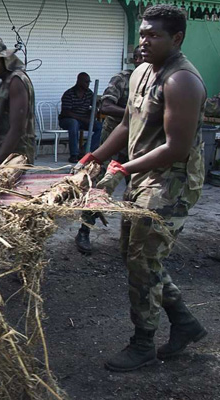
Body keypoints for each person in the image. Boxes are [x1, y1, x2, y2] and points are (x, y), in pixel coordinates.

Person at [75, 4, 207, 372]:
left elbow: (175, 148)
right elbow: (128, 125)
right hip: (142, 176)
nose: (144, 41)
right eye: (142, 33)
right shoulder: (142, 74)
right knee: (135, 256)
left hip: (172, 181)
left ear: (176, 38)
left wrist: (121, 169)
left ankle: (143, 343)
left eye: (154, 35)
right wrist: (97, 156)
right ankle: (185, 323)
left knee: (142, 258)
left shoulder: (181, 81)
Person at [74, 48, 144, 254]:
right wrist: (136, 115)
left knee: (137, 191)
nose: (143, 60)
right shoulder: (123, 79)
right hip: (113, 140)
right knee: (100, 189)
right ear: (135, 59)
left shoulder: (155, 83)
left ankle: (131, 239)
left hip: (138, 144)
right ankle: (84, 231)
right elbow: (105, 107)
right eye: (139, 57)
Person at [59, 72, 103, 163]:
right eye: (86, 82)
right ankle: (74, 155)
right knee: (73, 123)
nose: (88, 84)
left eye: (89, 82)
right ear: (79, 81)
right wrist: (83, 119)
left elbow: (95, 106)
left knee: (101, 126)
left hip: (83, 120)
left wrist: (94, 112)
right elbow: (66, 112)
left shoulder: (89, 93)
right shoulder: (69, 93)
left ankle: (85, 150)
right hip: (67, 120)